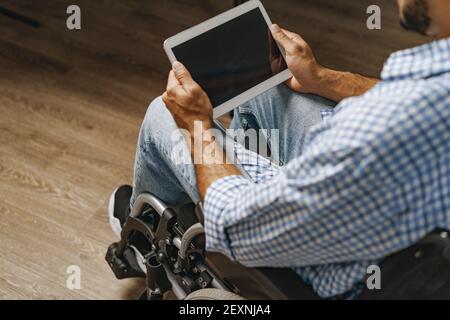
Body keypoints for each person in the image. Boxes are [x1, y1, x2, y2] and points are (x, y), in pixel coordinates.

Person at [109, 0, 450, 298]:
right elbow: (397, 95)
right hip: (397, 215)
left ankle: (144, 240)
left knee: (164, 115)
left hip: (345, 269)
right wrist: (320, 76)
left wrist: (198, 128)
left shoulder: (373, 138)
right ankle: (227, 173)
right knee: (265, 86)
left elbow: (235, 226)